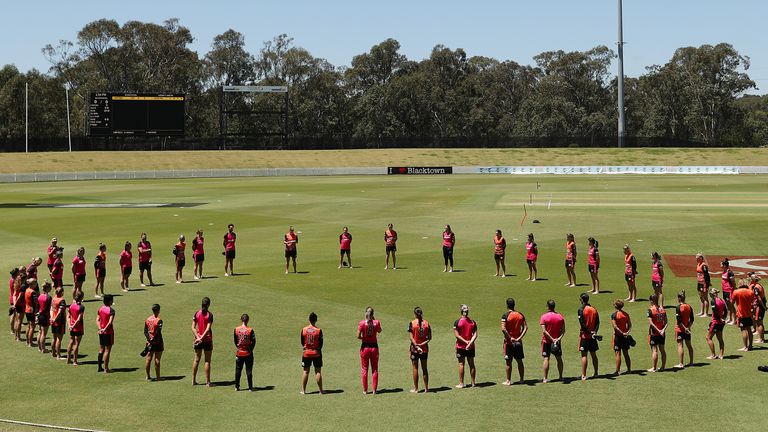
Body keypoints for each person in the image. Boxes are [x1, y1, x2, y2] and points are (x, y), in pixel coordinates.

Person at [501, 298, 527, 385]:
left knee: (508, 362)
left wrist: (510, 337)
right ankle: (522, 379)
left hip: (509, 343)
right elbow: (525, 327)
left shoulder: (505, 316)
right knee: (520, 361)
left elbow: (503, 329)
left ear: (507, 305)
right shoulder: (520, 315)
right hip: (518, 342)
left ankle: (508, 380)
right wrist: (519, 337)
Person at [540, 299, 565, 383]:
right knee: (559, 358)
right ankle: (561, 377)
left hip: (546, 341)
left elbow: (544, 331)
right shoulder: (560, 317)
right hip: (557, 343)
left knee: (546, 358)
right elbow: (563, 330)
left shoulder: (544, 317)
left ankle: (545, 378)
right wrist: (558, 339)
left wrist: (551, 339)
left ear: (547, 306)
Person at [357, 307, 381, 395]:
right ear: (373, 314)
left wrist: (364, 337)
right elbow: (379, 330)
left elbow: (358, 336)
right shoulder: (376, 322)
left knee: (364, 369)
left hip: (365, 347)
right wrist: (374, 320)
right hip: (374, 347)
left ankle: (365, 390)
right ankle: (374, 390)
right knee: (374, 369)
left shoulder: (362, 323)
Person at [453, 304, 478, 388]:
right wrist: (470, 343)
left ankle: (461, 383)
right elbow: (475, 334)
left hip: (460, 346)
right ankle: (473, 383)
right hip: (471, 347)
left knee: (461, 364)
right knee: (471, 364)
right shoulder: (473, 322)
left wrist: (465, 342)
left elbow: (457, 335)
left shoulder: (457, 322)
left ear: (461, 311)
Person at [408, 307, 431, 393]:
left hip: (414, 349)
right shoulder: (427, 323)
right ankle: (426, 388)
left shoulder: (412, 323)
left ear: (415, 314)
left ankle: (416, 389)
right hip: (424, 349)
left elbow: (411, 337)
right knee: (424, 368)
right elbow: (429, 338)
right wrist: (422, 344)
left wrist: (417, 346)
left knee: (415, 368)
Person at [192, 297, 214, 386]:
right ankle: (208, 382)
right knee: (207, 361)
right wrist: (201, 339)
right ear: (209, 305)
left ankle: (193, 381)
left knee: (196, 360)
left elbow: (193, 327)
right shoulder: (210, 315)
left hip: (198, 340)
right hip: (207, 340)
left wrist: (198, 337)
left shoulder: (197, 313)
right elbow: (208, 329)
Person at [577, 292, 599, 380]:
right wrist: (594, 332)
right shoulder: (594, 309)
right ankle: (596, 373)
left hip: (585, 336)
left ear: (582, 300)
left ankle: (584, 375)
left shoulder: (581, 310)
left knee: (584, 355)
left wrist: (588, 332)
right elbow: (597, 322)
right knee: (594, 354)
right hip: (593, 336)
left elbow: (582, 323)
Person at [301, 312, 324, 394]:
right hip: (316, 353)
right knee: (318, 371)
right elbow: (321, 343)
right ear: (316, 320)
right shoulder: (318, 330)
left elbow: (302, 342)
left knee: (306, 371)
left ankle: (303, 391)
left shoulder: (304, 329)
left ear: (309, 320)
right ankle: (321, 391)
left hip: (306, 353)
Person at [233, 313, 256, 391]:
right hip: (248, 353)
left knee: (238, 370)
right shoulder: (250, 330)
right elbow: (254, 341)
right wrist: (250, 349)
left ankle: (237, 386)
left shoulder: (236, 329)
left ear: (241, 319)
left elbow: (235, 341)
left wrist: (239, 347)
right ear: (248, 320)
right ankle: (250, 387)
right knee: (249, 370)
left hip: (239, 352)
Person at [732, 278, 755, 352]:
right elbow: (753, 302)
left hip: (741, 314)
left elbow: (732, 302)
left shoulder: (736, 292)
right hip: (749, 313)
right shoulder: (750, 292)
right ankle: (750, 345)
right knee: (749, 330)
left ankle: (745, 347)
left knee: (743, 330)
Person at [610, 299, 632, 375]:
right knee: (626, 354)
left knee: (617, 353)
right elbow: (629, 325)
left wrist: (622, 333)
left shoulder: (614, 315)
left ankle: (617, 371)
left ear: (616, 306)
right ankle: (629, 370)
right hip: (625, 336)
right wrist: (627, 333)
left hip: (618, 337)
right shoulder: (626, 314)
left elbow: (615, 326)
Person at [647, 293, 667, 372]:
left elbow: (651, 323)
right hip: (662, 333)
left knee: (654, 350)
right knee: (662, 349)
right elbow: (666, 322)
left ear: (651, 301)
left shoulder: (650, 310)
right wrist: (662, 330)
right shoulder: (662, 309)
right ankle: (663, 367)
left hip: (654, 333)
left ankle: (654, 368)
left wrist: (658, 330)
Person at [674, 291, 694, 368]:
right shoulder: (689, 306)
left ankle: (681, 363)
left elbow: (679, 321)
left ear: (679, 298)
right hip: (687, 330)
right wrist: (688, 327)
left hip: (680, 330)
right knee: (689, 345)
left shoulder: (678, 307)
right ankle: (691, 362)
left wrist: (684, 328)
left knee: (680, 345)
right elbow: (692, 319)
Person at [144, 304, 164, 381]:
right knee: (157, 359)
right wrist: (153, 340)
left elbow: (145, 331)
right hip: (157, 342)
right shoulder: (159, 320)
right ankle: (158, 377)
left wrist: (149, 339)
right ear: (158, 310)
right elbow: (158, 332)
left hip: (149, 342)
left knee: (148, 359)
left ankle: (148, 376)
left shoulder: (148, 319)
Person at [706, 288, 726, 360]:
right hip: (721, 323)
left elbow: (715, 311)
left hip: (716, 322)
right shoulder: (721, 300)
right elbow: (725, 310)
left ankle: (713, 355)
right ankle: (721, 355)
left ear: (712, 294)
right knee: (720, 339)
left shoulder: (713, 301)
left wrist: (720, 319)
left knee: (708, 338)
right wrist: (723, 318)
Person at [97, 294, 115, 373]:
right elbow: (110, 322)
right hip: (108, 332)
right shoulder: (111, 310)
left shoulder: (100, 309)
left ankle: (99, 367)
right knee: (107, 350)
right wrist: (104, 329)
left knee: (101, 349)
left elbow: (97, 319)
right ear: (110, 301)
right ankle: (106, 368)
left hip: (101, 332)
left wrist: (100, 328)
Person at [66, 290, 85, 366]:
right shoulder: (81, 307)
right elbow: (79, 319)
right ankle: (75, 361)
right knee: (76, 344)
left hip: (72, 327)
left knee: (71, 342)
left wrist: (69, 325)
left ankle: (68, 359)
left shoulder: (71, 306)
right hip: (78, 327)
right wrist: (73, 326)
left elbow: (68, 316)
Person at [49, 286, 66, 359]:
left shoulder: (53, 299)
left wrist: (52, 318)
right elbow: (59, 312)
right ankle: (58, 355)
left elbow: (51, 309)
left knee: (54, 338)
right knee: (59, 339)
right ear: (61, 292)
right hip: (60, 321)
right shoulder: (61, 300)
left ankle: (53, 353)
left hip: (53, 321)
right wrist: (55, 319)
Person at [749, 273, 766, 343]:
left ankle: (761, 339)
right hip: (761, 305)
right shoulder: (759, 286)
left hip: (759, 306)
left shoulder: (756, 288)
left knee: (759, 323)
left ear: (753, 280)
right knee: (760, 322)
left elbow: (759, 298)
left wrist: (763, 306)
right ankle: (761, 338)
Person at [36, 281, 52, 354]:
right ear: (48, 288)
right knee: (44, 333)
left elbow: (38, 306)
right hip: (45, 316)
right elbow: (47, 308)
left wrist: (37, 315)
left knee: (40, 331)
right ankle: (43, 349)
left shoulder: (40, 296)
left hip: (40, 315)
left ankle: (39, 347)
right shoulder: (48, 297)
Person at [24, 278, 39, 348]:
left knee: (29, 326)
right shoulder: (33, 292)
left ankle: (27, 341)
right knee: (32, 327)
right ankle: (30, 343)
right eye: (35, 283)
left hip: (27, 309)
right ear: (32, 284)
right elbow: (36, 302)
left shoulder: (27, 290)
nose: (36, 284)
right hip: (32, 310)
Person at [720, 259, 736, 324]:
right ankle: (730, 318)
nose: (720, 265)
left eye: (721, 264)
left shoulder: (730, 272)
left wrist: (733, 290)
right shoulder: (724, 271)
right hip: (724, 290)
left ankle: (734, 320)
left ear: (724, 265)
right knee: (727, 305)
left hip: (729, 291)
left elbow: (733, 283)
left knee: (731, 305)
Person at [9, 267, 19, 335]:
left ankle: (13, 329)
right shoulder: (14, 280)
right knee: (13, 315)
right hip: (14, 299)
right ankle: (12, 330)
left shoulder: (11, 279)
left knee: (14, 315)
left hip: (12, 298)